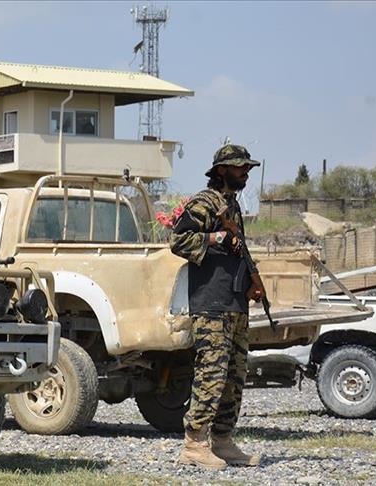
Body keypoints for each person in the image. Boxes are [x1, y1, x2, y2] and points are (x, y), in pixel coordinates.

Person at [169, 144, 264, 470]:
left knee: (234, 377)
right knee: (211, 372)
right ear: (222, 170)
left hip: (234, 302)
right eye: (240, 167)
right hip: (210, 304)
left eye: (248, 167)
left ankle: (222, 440)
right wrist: (215, 238)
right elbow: (178, 240)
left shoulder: (231, 205)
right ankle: (194, 444)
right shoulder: (205, 203)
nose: (246, 172)